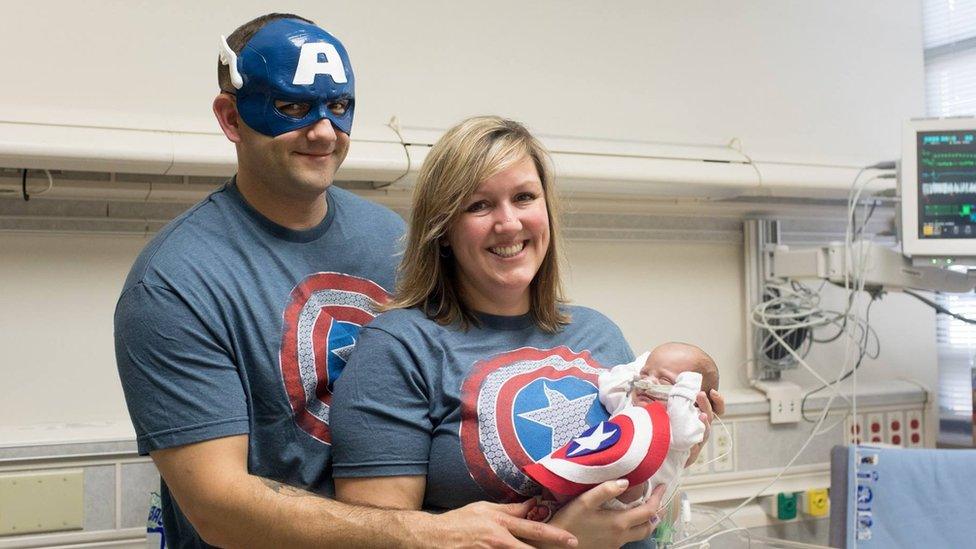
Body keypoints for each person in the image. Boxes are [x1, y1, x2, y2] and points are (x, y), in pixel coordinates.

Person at [115, 15, 578, 549]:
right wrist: (424, 533)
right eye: (290, 108)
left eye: (337, 108)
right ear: (231, 117)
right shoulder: (173, 284)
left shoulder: (392, 240)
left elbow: (480, 379)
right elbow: (219, 508)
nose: (321, 132)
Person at [330, 115, 724, 548]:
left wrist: (679, 440)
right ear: (443, 230)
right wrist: (562, 542)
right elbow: (378, 541)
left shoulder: (598, 332)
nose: (509, 223)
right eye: (479, 205)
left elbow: (639, 487)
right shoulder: (399, 348)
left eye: (523, 198)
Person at [522, 342, 722, 520]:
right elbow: (607, 386)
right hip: (595, 484)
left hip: (640, 497)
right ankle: (552, 507)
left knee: (631, 478)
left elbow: (684, 437)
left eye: (665, 381)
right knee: (564, 476)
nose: (648, 382)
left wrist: (684, 393)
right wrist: (642, 363)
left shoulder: (681, 421)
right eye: (645, 374)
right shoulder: (629, 402)